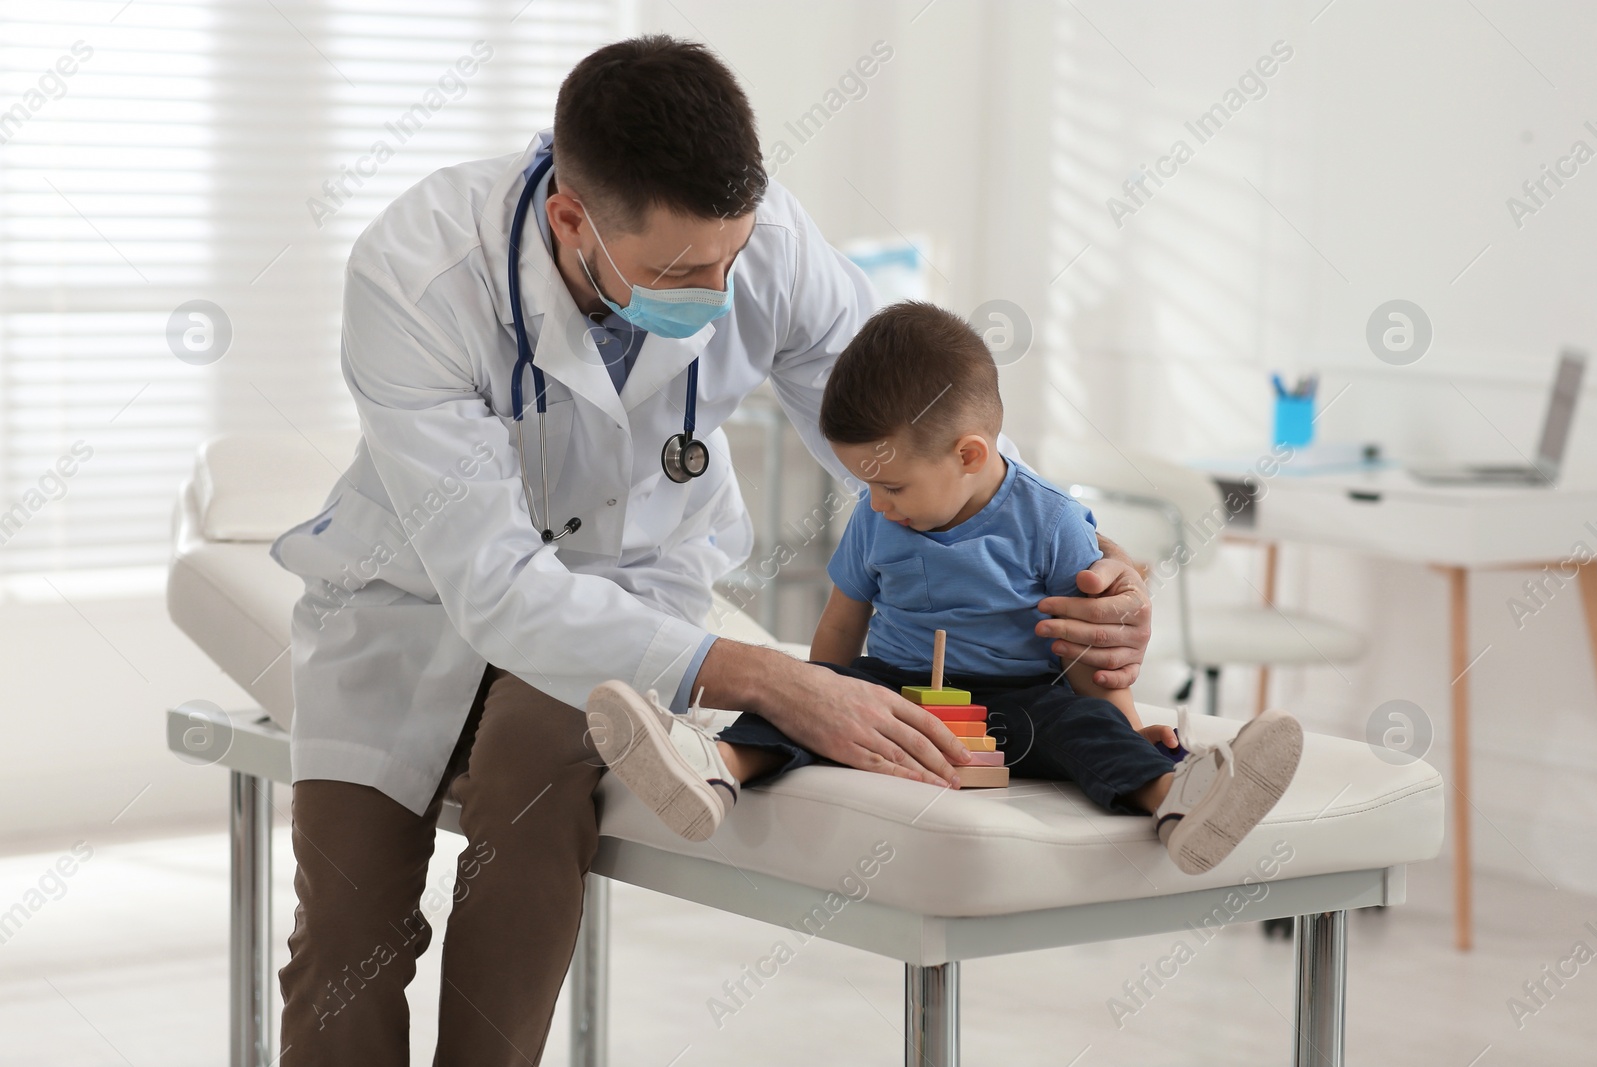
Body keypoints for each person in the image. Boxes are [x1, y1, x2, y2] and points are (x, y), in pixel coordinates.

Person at [270, 36, 1157, 1064]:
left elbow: (925, 430)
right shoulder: (420, 273)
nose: (719, 287)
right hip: (406, 600)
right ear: (571, 219)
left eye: (731, 256)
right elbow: (496, 584)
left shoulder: (764, 242)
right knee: (346, 932)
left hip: (629, 597)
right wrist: (777, 680)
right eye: (681, 270)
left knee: (531, 791)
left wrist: (1087, 557)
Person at [586, 301, 1303, 875]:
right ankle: (712, 769)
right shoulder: (876, 514)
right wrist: (822, 697)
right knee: (796, 702)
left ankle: (1178, 801)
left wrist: (1123, 717)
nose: (878, 501)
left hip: (1015, 702)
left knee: (1081, 730)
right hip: (893, 691)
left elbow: (1092, 644)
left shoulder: (1051, 522)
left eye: (892, 483)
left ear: (969, 455)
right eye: (868, 483)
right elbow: (841, 625)